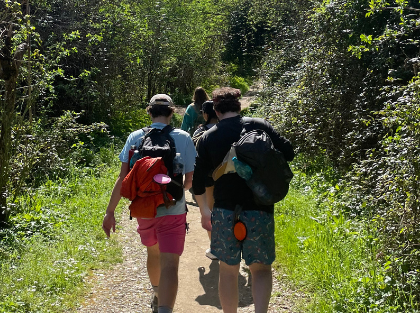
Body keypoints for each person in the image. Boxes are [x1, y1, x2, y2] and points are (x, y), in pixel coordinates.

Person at [193, 87, 294, 313]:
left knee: (228, 270)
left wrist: (204, 211)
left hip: (224, 211)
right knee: (261, 269)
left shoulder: (208, 137)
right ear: (239, 107)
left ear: (216, 111)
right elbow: (289, 152)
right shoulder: (260, 126)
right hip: (260, 208)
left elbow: (198, 182)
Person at [103, 94, 196, 313]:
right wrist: (172, 191)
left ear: (150, 112)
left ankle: (156, 295)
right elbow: (189, 181)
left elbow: (123, 178)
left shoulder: (135, 137)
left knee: (153, 254)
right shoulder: (183, 137)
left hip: (144, 209)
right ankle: (165, 309)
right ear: (171, 113)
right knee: (170, 263)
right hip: (173, 209)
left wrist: (110, 211)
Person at [191, 101, 219, 260]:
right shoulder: (225, 129)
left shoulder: (200, 131)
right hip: (227, 176)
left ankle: (215, 247)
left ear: (206, 114)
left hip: (207, 178)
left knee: (210, 211)